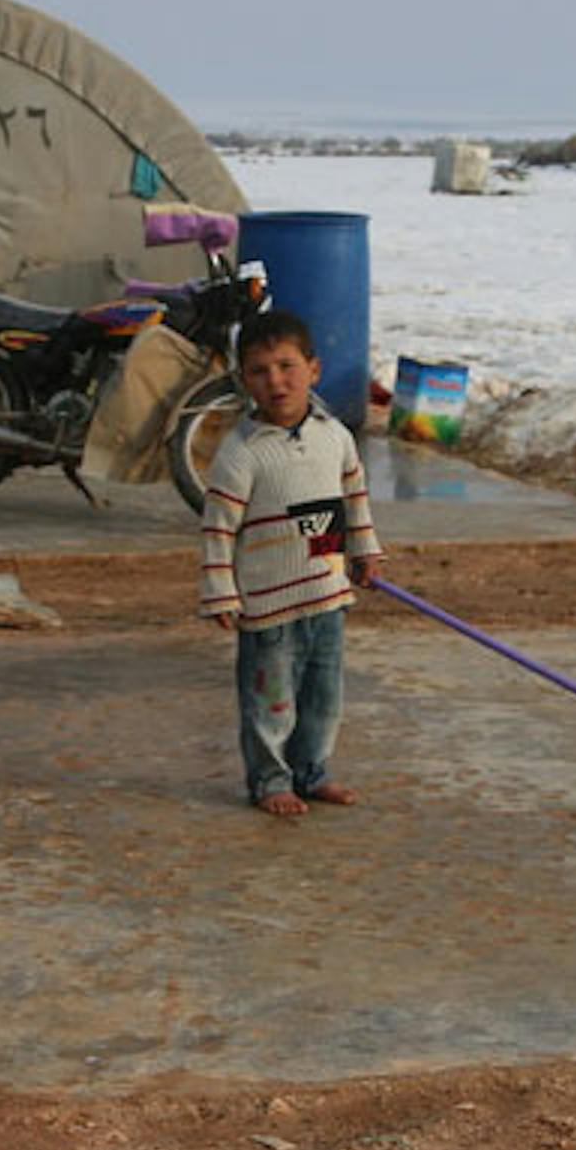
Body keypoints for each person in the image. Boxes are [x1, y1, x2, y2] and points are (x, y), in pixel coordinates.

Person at [198, 311, 383, 816]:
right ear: (244, 380)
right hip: (269, 607)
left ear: (314, 369)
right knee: (271, 703)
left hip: (327, 597)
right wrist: (221, 591)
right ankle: (270, 779)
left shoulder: (335, 436)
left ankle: (312, 772)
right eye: (259, 370)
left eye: (286, 366)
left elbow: (353, 498)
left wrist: (364, 553)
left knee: (323, 700)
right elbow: (218, 527)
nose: (275, 381)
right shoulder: (240, 453)